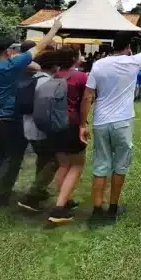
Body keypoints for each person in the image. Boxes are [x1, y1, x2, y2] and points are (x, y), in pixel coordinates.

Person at [0, 19, 63, 207]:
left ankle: (2, 188)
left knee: (1, 157)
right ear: (7, 51)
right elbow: (40, 47)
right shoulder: (11, 65)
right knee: (13, 158)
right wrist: (54, 28)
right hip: (9, 118)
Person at [80, 28, 141, 227]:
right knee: (120, 166)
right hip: (123, 120)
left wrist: (82, 123)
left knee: (100, 165)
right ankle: (113, 208)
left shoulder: (98, 65)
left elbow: (88, 96)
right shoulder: (133, 62)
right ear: (129, 47)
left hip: (100, 121)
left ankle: (97, 211)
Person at [47, 47, 89, 225]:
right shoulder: (81, 77)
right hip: (72, 124)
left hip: (54, 124)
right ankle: (58, 209)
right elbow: (87, 99)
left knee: (63, 163)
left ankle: (66, 200)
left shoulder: (54, 77)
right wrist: (83, 124)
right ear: (74, 58)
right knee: (77, 164)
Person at [17, 50, 60, 213]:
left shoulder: (33, 79)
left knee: (43, 159)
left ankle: (39, 191)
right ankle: (32, 195)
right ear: (55, 66)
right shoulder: (48, 84)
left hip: (28, 126)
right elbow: (48, 110)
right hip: (42, 129)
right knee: (54, 161)